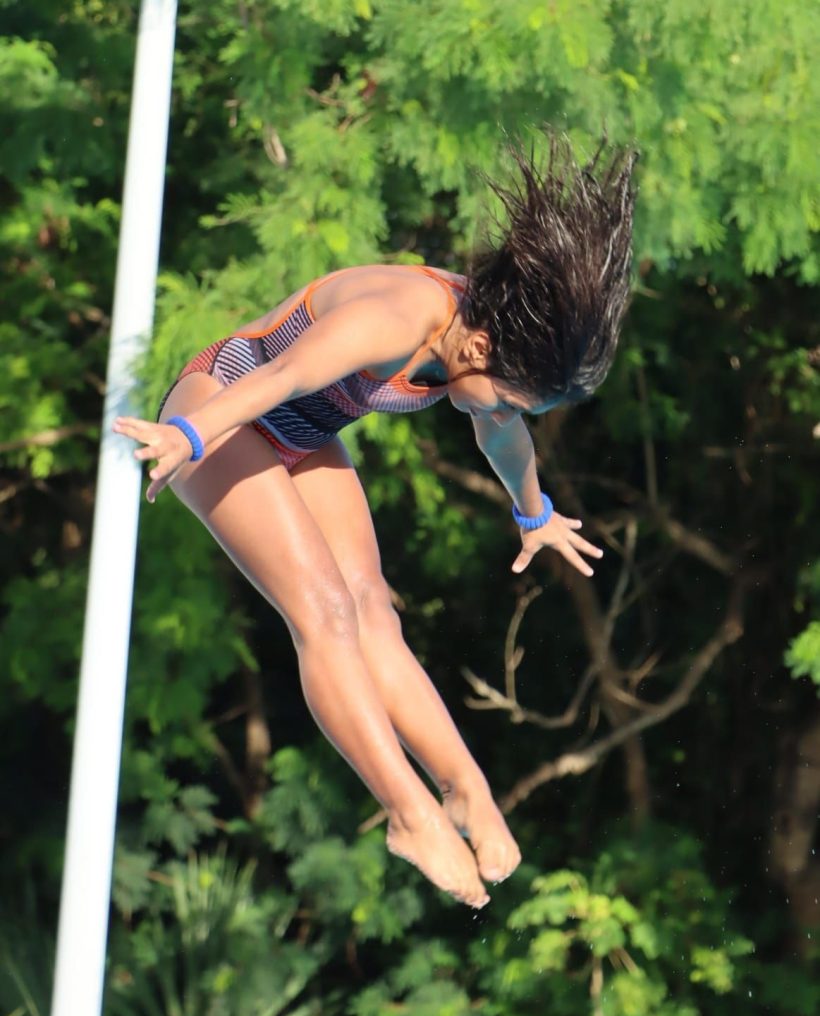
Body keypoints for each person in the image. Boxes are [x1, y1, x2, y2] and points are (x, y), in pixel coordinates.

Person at [114, 134, 636, 909]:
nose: (504, 412)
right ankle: (407, 814)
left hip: (299, 433)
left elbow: (501, 435)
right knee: (324, 611)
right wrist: (187, 435)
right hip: (222, 410)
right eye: (508, 397)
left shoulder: (477, 345)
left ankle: (464, 789)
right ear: (480, 346)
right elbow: (285, 374)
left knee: (372, 614)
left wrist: (535, 512)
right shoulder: (398, 317)